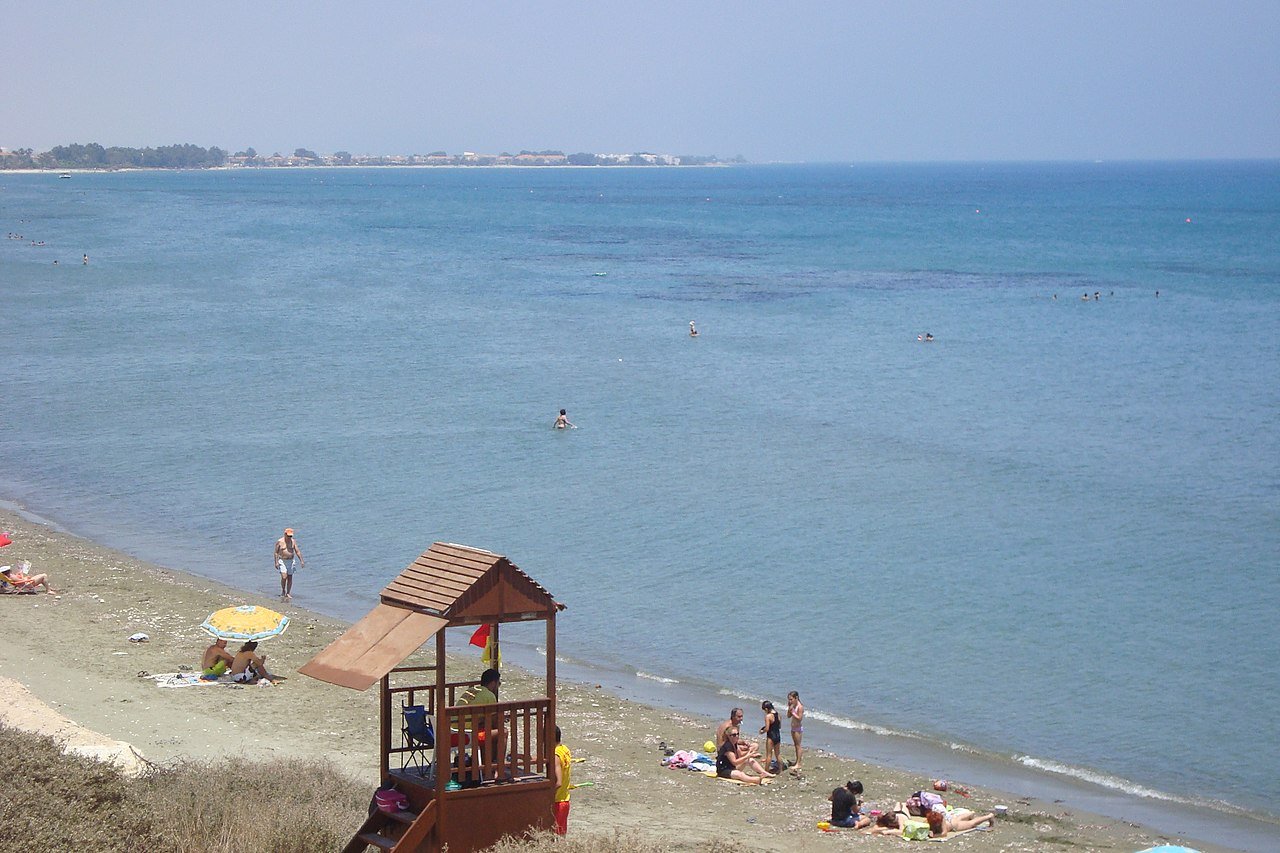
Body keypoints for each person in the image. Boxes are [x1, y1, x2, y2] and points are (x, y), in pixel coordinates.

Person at [458, 668, 507, 783]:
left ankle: (486, 767)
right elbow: (496, 723)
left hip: (454, 731)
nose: (498, 686)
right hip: (467, 735)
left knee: (489, 732)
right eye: (498, 683)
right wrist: (502, 718)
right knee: (503, 732)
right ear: (493, 683)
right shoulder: (489, 696)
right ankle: (497, 770)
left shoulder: (471, 690)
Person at [926, 806, 996, 837]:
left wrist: (934, 836)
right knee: (959, 818)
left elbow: (944, 833)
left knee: (972, 823)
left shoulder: (941, 820)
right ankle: (970, 814)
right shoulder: (931, 820)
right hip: (952, 820)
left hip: (954, 826)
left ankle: (989, 816)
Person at [274, 528, 304, 599]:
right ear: (285, 534)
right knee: (284, 577)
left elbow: (297, 551)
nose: (290, 537)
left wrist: (301, 561)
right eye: (288, 536)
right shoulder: (280, 542)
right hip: (282, 561)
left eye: (291, 536)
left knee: (290, 577)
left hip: (291, 561)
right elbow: (276, 552)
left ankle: (288, 593)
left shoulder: (293, 542)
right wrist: (276, 562)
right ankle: (283, 590)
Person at [552, 725, 572, 835]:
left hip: (557, 802)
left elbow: (558, 782)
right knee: (561, 835)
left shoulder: (555, 755)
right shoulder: (564, 749)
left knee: (554, 836)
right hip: (565, 800)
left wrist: (547, 796)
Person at [760, 700, 783, 772]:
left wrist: (762, 731)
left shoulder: (768, 716)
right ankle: (780, 769)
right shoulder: (778, 715)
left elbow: (767, 728)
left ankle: (766, 771)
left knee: (769, 755)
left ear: (766, 709)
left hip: (771, 736)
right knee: (778, 754)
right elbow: (779, 726)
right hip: (777, 735)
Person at [786, 690, 804, 770]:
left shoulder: (800, 707)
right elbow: (788, 716)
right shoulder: (793, 706)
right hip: (793, 727)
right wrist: (789, 709)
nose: (790, 701)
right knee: (795, 745)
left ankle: (799, 763)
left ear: (796, 698)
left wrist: (793, 712)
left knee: (798, 745)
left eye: (791, 699)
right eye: (789, 699)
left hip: (798, 728)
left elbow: (800, 718)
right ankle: (797, 761)